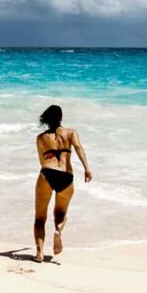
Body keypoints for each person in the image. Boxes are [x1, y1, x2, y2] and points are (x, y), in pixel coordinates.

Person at [33, 104, 91, 263]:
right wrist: (87, 169)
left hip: (47, 173)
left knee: (39, 218)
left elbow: (41, 160)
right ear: (60, 118)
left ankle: (39, 253)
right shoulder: (71, 133)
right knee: (60, 213)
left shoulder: (40, 138)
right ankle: (58, 230)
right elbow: (79, 148)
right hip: (66, 176)